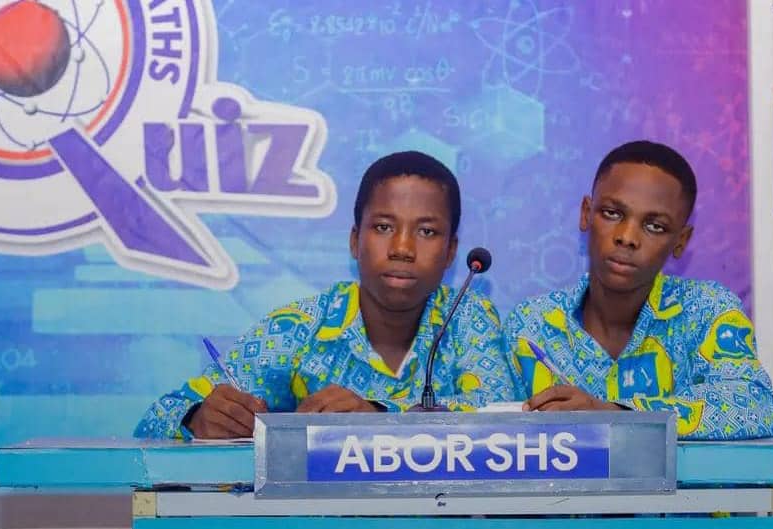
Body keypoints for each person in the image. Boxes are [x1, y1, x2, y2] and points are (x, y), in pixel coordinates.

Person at [135, 151, 514, 439]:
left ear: (450, 252)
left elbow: (502, 418)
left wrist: (381, 419)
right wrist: (197, 418)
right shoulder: (299, 329)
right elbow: (156, 420)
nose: (402, 248)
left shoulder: (467, 316)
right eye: (384, 227)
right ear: (354, 240)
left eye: (427, 232)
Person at [502, 140, 773, 439]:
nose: (627, 237)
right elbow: (488, 425)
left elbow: (758, 406)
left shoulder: (706, 310)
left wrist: (615, 414)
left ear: (681, 241)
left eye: (655, 226)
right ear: (586, 214)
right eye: (612, 213)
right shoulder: (532, 326)